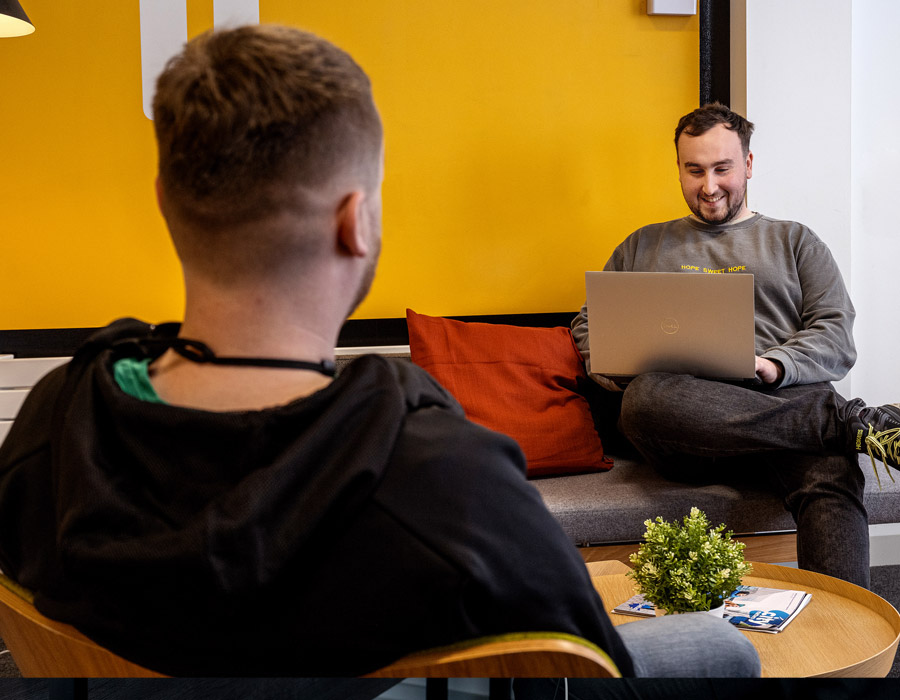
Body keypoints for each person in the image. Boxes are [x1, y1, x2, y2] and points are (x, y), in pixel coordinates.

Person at [0, 27, 758, 679]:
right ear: (355, 221)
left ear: (165, 199)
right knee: (721, 650)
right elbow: (585, 664)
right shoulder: (446, 480)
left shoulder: (51, 426)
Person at [571, 102, 900, 590]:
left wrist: (772, 365)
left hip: (782, 404)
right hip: (687, 419)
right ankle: (848, 423)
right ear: (679, 169)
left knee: (831, 473)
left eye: (722, 169)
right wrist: (618, 361)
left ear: (748, 164)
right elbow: (588, 323)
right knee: (643, 400)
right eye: (694, 170)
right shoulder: (643, 246)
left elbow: (834, 333)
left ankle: (846, 646)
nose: (708, 186)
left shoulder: (795, 241)